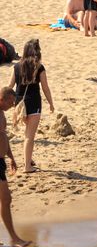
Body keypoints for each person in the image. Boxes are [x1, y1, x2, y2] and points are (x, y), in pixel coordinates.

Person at [9, 40, 53, 173]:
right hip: (33, 103)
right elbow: (45, 88)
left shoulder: (16, 67)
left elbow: (10, 86)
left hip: (20, 103)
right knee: (30, 135)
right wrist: (51, 103)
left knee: (27, 133)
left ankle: (28, 159)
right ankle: (27, 166)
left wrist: (11, 102)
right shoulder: (39, 67)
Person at [0, 89, 31, 247]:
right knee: (6, 199)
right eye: (11, 102)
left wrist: (10, 156)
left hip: (1, 160)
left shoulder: (2, 113)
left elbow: (3, 137)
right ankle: (14, 238)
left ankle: (14, 238)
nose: (13, 105)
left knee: (5, 199)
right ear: (2, 99)